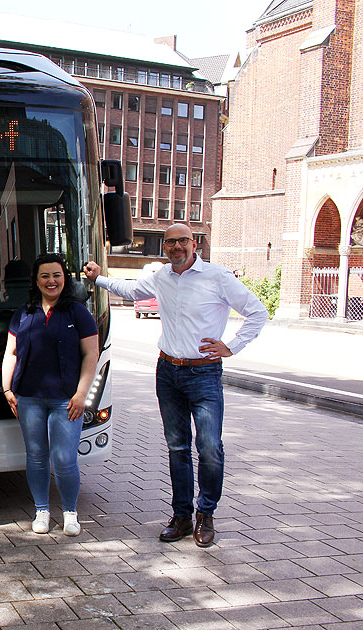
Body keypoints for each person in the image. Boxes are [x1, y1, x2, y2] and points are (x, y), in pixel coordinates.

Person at [83, 224, 267, 547]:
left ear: (194, 244)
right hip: (168, 372)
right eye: (171, 242)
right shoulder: (161, 277)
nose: (177, 247)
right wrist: (98, 277)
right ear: (164, 247)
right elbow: (129, 290)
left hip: (205, 374)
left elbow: (257, 313)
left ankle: (205, 514)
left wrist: (232, 346)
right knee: (177, 447)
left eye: (183, 241)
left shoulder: (218, 277)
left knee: (210, 448)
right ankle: (181, 516)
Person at [1, 253, 99, 536]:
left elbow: (90, 355)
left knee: (65, 458)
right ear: (36, 280)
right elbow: (11, 353)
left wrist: (82, 394)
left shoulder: (77, 312)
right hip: (29, 397)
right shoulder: (24, 312)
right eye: (44, 276)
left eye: (56, 275)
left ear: (64, 278)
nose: (51, 281)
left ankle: (70, 512)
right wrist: (7, 388)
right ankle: (41, 511)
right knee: (35, 457)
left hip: (66, 400)